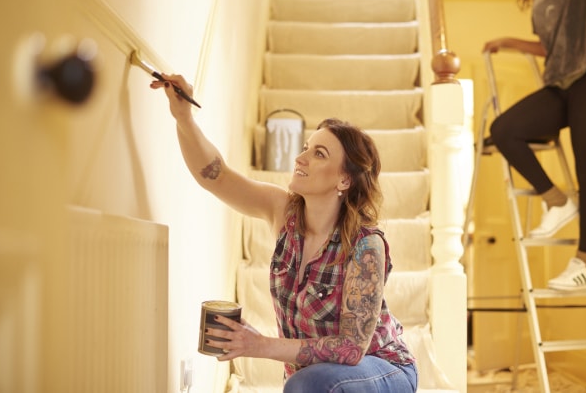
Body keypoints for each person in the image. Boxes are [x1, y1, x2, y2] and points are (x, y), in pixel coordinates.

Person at [151, 75, 418, 392]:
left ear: (344, 180)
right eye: (306, 148)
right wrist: (183, 117)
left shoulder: (365, 245)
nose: (300, 158)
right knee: (304, 383)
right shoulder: (283, 213)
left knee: (304, 384)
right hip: (316, 380)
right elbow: (216, 177)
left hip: (384, 369)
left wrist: (259, 345)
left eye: (318, 154)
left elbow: (351, 349)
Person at [482, 0, 586, 291]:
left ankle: (585, 262)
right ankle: (557, 200)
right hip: (558, 83)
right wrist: (509, 41)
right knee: (503, 130)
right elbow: (549, 47)